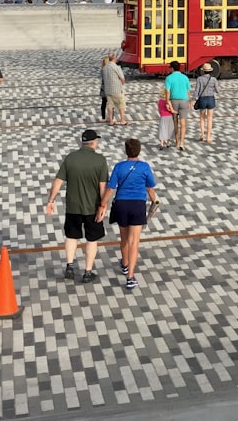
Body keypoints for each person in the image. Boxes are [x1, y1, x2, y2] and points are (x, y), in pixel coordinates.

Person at [45, 128, 109, 284]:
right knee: (91, 240)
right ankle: (87, 272)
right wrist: (103, 205)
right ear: (94, 143)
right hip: (91, 208)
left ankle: (69, 266)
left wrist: (51, 201)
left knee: (71, 236)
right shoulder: (100, 160)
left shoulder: (70, 158)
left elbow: (58, 182)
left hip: (72, 206)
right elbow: (103, 187)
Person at [96, 138, 158, 291]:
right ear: (139, 150)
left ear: (126, 150)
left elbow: (110, 189)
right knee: (134, 242)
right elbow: (150, 189)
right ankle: (130, 276)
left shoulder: (119, 167)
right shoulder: (144, 167)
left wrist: (102, 205)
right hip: (137, 205)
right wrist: (154, 203)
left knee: (124, 238)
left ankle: (124, 264)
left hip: (122, 205)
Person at [164, 60, 192, 151]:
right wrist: (190, 100)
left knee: (175, 122)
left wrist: (167, 102)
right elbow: (188, 91)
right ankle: (182, 142)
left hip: (174, 101)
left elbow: (167, 91)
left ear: (172, 68)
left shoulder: (169, 78)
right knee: (183, 124)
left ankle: (176, 141)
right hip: (184, 100)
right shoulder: (185, 77)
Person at [192, 62, 220, 143]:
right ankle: (208, 137)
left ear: (203, 71)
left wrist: (193, 100)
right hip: (211, 99)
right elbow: (218, 91)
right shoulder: (213, 79)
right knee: (210, 118)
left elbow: (196, 91)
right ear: (210, 71)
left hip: (202, 99)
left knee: (202, 118)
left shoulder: (199, 79)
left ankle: (202, 135)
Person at [102, 51, 129, 126]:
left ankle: (111, 121)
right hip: (117, 90)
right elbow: (122, 78)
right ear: (115, 58)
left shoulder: (105, 68)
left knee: (110, 105)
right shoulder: (116, 67)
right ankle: (122, 120)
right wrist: (122, 84)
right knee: (121, 105)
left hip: (108, 90)